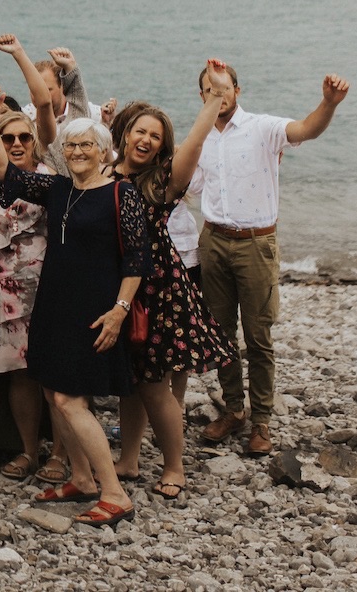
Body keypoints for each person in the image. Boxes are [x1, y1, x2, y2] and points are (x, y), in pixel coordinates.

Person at [0, 104, 149, 529]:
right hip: (54, 306)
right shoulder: (59, 188)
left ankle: (114, 493)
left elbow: (136, 259)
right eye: (71, 144)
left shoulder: (121, 193)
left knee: (72, 401)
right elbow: (7, 175)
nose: (77, 151)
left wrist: (119, 311)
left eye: (86, 145)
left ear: (104, 152)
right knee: (54, 392)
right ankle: (81, 477)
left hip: (96, 311)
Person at [192, 65, 350, 456]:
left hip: (256, 244)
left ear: (237, 90)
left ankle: (260, 421)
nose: (219, 95)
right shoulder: (201, 138)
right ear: (202, 97)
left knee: (258, 337)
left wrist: (328, 104)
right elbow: (183, 184)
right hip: (213, 240)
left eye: (224, 88)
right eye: (211, 90)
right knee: (220, 334)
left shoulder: (262, 128)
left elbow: (305, 129)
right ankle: (233, 410)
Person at [108, 70, 237, 498]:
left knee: (155, 385)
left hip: (157, 291)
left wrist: (215, 99)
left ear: (163, 145)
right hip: (114, 288)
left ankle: (174, 466)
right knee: (130, 380)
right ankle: (127, 459)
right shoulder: (106, 174)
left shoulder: (160, 183)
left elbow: (197, 143)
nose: (146, 140)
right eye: (140, 132)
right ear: (126, 135)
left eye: (156, 137)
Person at [0, 34, 64, 484]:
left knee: (54, 377)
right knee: (19, 375)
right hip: (8, 295)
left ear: (35, 141)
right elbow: (0, 169)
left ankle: (60, 455)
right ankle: (29, 451)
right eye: (7, 137)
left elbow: (42, 102)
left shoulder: (52, 176)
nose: (16, 142)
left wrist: (17, 54)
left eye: (22, 136)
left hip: (50, 288)